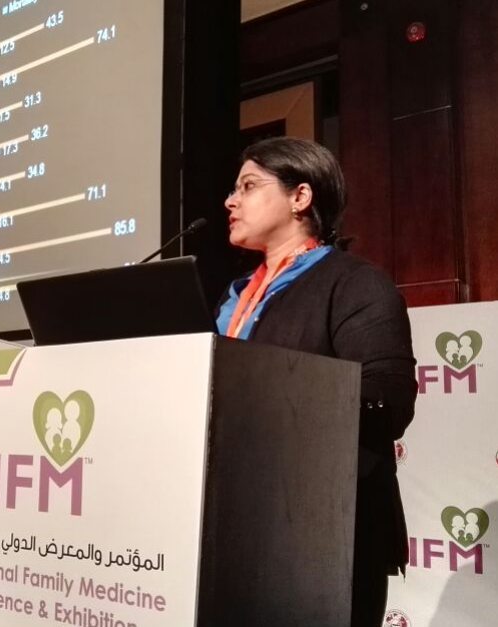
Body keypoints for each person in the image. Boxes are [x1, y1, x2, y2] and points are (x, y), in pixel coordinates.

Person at [216, 136, 417, 627]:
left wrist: (261, 401)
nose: (230, 201)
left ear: (300, 197)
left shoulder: (355, 283)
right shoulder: (233, 297)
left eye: (248, 186)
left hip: (325, 533)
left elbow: (387, 401)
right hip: (227, 521)